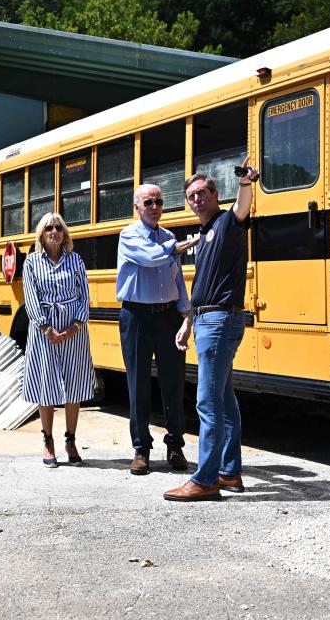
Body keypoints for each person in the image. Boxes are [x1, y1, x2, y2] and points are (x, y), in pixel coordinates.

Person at [164, 157, 258, 502]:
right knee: (224, 400)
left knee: (208, 403)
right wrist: (188, 321)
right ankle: (229, 473)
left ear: (216, 195)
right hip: (207, 318)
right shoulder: (203, 236)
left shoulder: (227, 223)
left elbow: (243, 208)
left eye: (202, 193)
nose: (197, 200)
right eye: (191, 196)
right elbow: (203, 285)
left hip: (219, 321)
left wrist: (246, 183)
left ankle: (205, 479)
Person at [117, 184, 200, 475]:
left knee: (174, 382)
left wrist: (187, 315)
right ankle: (141, 449)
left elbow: (177, 280)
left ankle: (175, 446)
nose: (155, 207)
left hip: (167, 316)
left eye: (159, 202)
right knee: (138, 384)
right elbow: (151, 257)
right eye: (148, 202)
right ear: (137, 207)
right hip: (136, 316)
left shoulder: (169, 237)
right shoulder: (129, 236)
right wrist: (178, 248)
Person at [22, 212, 94, 468]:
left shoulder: (75, 260)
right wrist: (45, 327)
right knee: (47, 384)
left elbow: (85, 294)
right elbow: (30, 297)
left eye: (59, 228)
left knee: (73, 384)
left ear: (65, 234)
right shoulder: (31, 262)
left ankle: (71, 440)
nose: (54, 231)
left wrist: (77, 325)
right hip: (44, 331)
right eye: (49, 228)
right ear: (41, 233)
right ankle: (47, 440)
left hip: (74, 329)